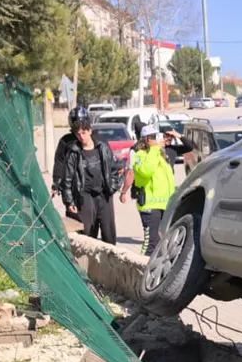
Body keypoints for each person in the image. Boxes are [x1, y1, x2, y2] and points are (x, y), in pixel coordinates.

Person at [58, 114, 121, 244]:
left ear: (90, 131)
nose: (82, 137)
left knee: (109, 234)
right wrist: (69, 202)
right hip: (85, 197)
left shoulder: (102, 148)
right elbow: (67, 180)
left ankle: (109, 263)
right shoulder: (74, 153)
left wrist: (113, 187)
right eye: (78, 134)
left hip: (104, 196)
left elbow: (115, 168)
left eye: (84, 133)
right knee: (87, 235)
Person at [125, 124, 176, 255]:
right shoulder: (139, 155)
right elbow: (146, 171)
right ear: (146, 139)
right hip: (150, 206)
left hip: (164, 205)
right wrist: (154, 150)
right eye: (154, 137)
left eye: (158, 136)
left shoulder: (161, 155)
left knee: (163, 243)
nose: (158, 139)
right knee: (150, 243)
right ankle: (142, 270)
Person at [52, 106, 87, 196]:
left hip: (92, 185)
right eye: (76, 123)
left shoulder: (94, 139)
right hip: (72, 186)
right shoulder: (66, 141)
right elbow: (59, 161)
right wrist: (57, 181)